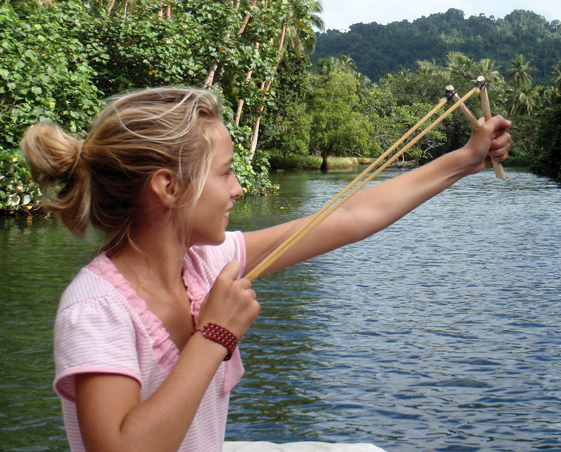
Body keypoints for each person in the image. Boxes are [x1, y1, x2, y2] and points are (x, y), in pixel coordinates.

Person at [20, 86, 511, 452]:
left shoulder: (205, 263)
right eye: (225, 172)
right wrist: (213, 337)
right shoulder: (97, 309)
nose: (238, 188)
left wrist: (463, 161)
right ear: (168, 187)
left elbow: (349, 216)